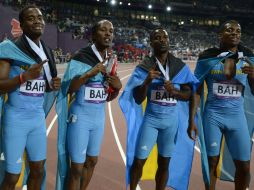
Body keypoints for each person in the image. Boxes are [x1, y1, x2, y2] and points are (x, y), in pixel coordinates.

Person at [119, 28, 199, 190]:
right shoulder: (145, 66)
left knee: (164, 164)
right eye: (157, 37)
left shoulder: (178, 66)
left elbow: (190, 93)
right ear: (151, 42)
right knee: (139, 161)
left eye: (165, 37)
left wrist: (175, 92)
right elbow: (138, 98)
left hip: (171, 123)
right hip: (151, 121)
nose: (162, 40)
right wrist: (147, 81)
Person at [56, 19, 122, 190]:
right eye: (103, 30)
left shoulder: (111, 59)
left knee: (92, 161)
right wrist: (89, 73)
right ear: (93, 35)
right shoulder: (81, 56)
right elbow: (69, 88)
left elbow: (106, 97)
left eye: (111, 31)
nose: (108, 33)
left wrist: (117, 87)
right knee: (76, 168)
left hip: (99, 117)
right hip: (80, 117)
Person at [0, 5, 61, 190]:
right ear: (22, 23)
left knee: (38, 170)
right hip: (15, 120)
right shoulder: (9, 49)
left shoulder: (48, 52)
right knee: (12, 176)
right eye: (31, 18)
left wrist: (52, 86)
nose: (37, 21)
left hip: (37, 120)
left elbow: (44, 87)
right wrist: (23, 77)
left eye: (40, 18)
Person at [188, 20, 254, 190]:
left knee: (244, 167)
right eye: (230, 30)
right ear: (220, 35)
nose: (235, 33)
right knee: (211, 163)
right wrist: (192, 120)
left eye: (238, 31)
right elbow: (195, 89)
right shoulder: (207, 57)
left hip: (237, 118)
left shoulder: (248, 57)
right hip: (213, 117)